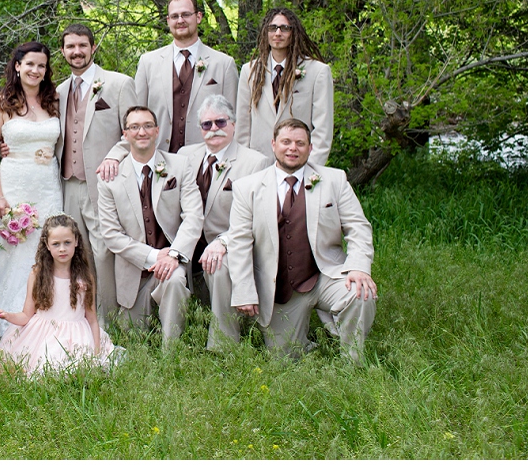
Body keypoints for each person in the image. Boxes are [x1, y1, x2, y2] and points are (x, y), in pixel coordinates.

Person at [226, 119, 376, 364]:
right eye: (286, 142)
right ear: (273, 144)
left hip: (325, 275)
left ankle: (354, 363)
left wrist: (359, 267)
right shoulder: (247, 188)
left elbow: (358, 227)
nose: (292, 148)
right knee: (284, 360)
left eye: (299, 143)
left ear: (310, 147)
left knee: (361, 293)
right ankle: (311, 344)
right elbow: (239, 242)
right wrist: (244, 291)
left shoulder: (334, 180)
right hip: (280, 287)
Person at [97, 106, 204, 349]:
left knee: (176, 280)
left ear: (157, 131)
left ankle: (172, 353)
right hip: (134, 271)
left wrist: (174, 255)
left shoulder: (180, 166)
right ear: (125, 134)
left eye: (147, 126)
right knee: (134, 343)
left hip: (173, 262)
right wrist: (156, 256)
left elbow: (194, 217)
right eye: (134, 127)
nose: (141, 131)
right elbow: (111, 235)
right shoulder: (109, 178)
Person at [54, 24, 137, 318]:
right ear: (63, 51)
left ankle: (110, 319)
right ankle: (81, 316)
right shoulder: (59, 92)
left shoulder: (118, 83)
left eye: (82, 46)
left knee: (104, 251)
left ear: (93, 48)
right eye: (70, 47)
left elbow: (135, 132)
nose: (76, 52)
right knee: (76, 252)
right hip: (68, 183)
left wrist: (114, 157)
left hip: (104, 182)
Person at [177, 95, 271, 350]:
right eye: (207, 124)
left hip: (232, 241)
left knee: (217, 267)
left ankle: (223, 345)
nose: (214, 129)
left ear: (233, 124)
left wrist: (223, 242)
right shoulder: (186, 156)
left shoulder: (255, 162)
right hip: (190, 237)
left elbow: (256, 217)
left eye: (220, 122)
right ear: (200, 129)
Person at [0, 42, 63, 313]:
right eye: (30, 64)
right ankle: (7, 312)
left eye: (41, 65)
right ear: (17, 66)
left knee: (49, 242)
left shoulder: (54, 99)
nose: (35, 70)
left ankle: (48, 307)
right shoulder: (2, 103)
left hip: (48, 184)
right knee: (14, 248)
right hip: (15, 182)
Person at [0, 215, 117, 374]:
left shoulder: (85, 277)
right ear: (47, 245)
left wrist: (97, 351)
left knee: (74, 370)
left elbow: (92, 319)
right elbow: (26, 315)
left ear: (76, 242)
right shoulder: (38, 274)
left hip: (76, 335)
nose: (62, 249)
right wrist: (7, 315)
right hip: (42, 335)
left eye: (67, 243)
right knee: (41, 368)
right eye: (56, 244)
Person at [133, 0, 239, 153]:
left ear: (198, 17)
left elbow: (233, 119)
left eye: (186, 14)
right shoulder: (148, 63)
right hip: (159, 157)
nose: (180, 20)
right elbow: (137, 116)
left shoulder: (224, 64)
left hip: (206, 158)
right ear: (168, 21)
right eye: (175, 16)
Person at [235, 7, 333, 166]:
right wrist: (244, 166)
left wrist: (311, 170)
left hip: (299, 165)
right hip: (258, 166)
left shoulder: (317, 72)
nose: (278, 33)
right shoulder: (250, 71)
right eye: (273, 28)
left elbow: (323, 130)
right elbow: (242, 127)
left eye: (285, 28)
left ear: (294, 32)